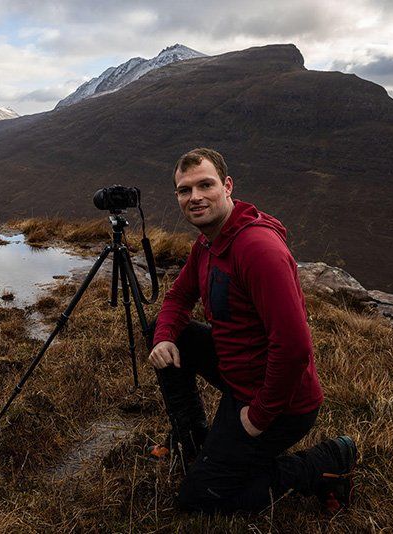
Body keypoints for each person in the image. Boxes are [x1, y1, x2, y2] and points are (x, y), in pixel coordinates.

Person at [147, 147, 356, 515]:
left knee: (201, 501)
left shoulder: (257, 249)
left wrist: (259, 416)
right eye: (184, 190)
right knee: (168, 334)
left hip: (281, 404)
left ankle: (329, 462)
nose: (194, 197)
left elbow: (293, 348)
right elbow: (178, 298)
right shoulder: (209, 242)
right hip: (240, 376)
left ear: (227, 187)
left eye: (205, 185)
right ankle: (195, 442)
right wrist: (164, 335)